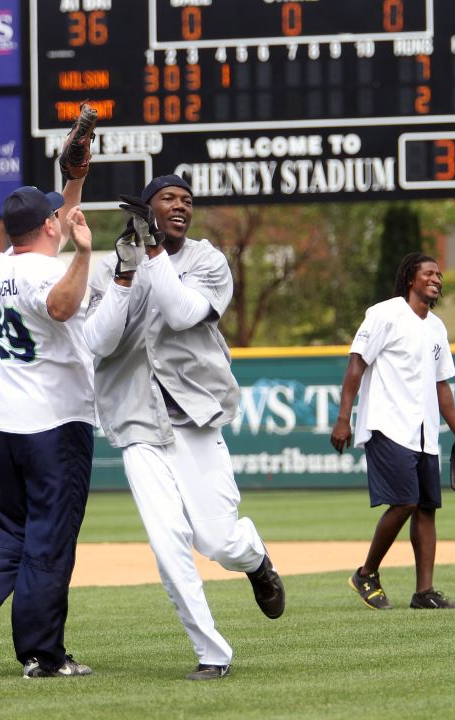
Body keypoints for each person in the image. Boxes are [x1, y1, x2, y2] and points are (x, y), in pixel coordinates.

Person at [82, 174, 285, 681]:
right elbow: (99, 343)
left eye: (186, 201)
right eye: (168, 198)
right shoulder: (111, 268)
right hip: (137, 427)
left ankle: (255, 558)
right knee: (169, 542)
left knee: (216, 542)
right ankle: (213, 653)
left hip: (195, 422)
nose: (180, 206)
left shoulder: (208, 262)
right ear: (147, 208)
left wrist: (151, 254)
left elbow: (180, 312)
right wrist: (126, 276)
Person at [0, 178, 97, 679]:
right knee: (48, 541)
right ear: (49, 226)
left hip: (7, 423)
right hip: (53, 424)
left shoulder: (3, 263)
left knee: (9, 535)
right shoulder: (45, 270)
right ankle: (43, 655)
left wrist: (73, 181)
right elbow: (60, 304)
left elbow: (53, 224)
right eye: (56, 214)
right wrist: (83, 255)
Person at [330, 252, 455, 611]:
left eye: (439, 275)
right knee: (406, 501)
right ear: (411, 278)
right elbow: (356, 365)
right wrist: (344, 417)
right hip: (386, 423)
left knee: (426, 508)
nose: (437, 279)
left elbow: (443, 388)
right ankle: (366, 573)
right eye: (429, 273)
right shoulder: (385, 314)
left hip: (425, 432)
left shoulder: (437, 328)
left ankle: (424, 592)